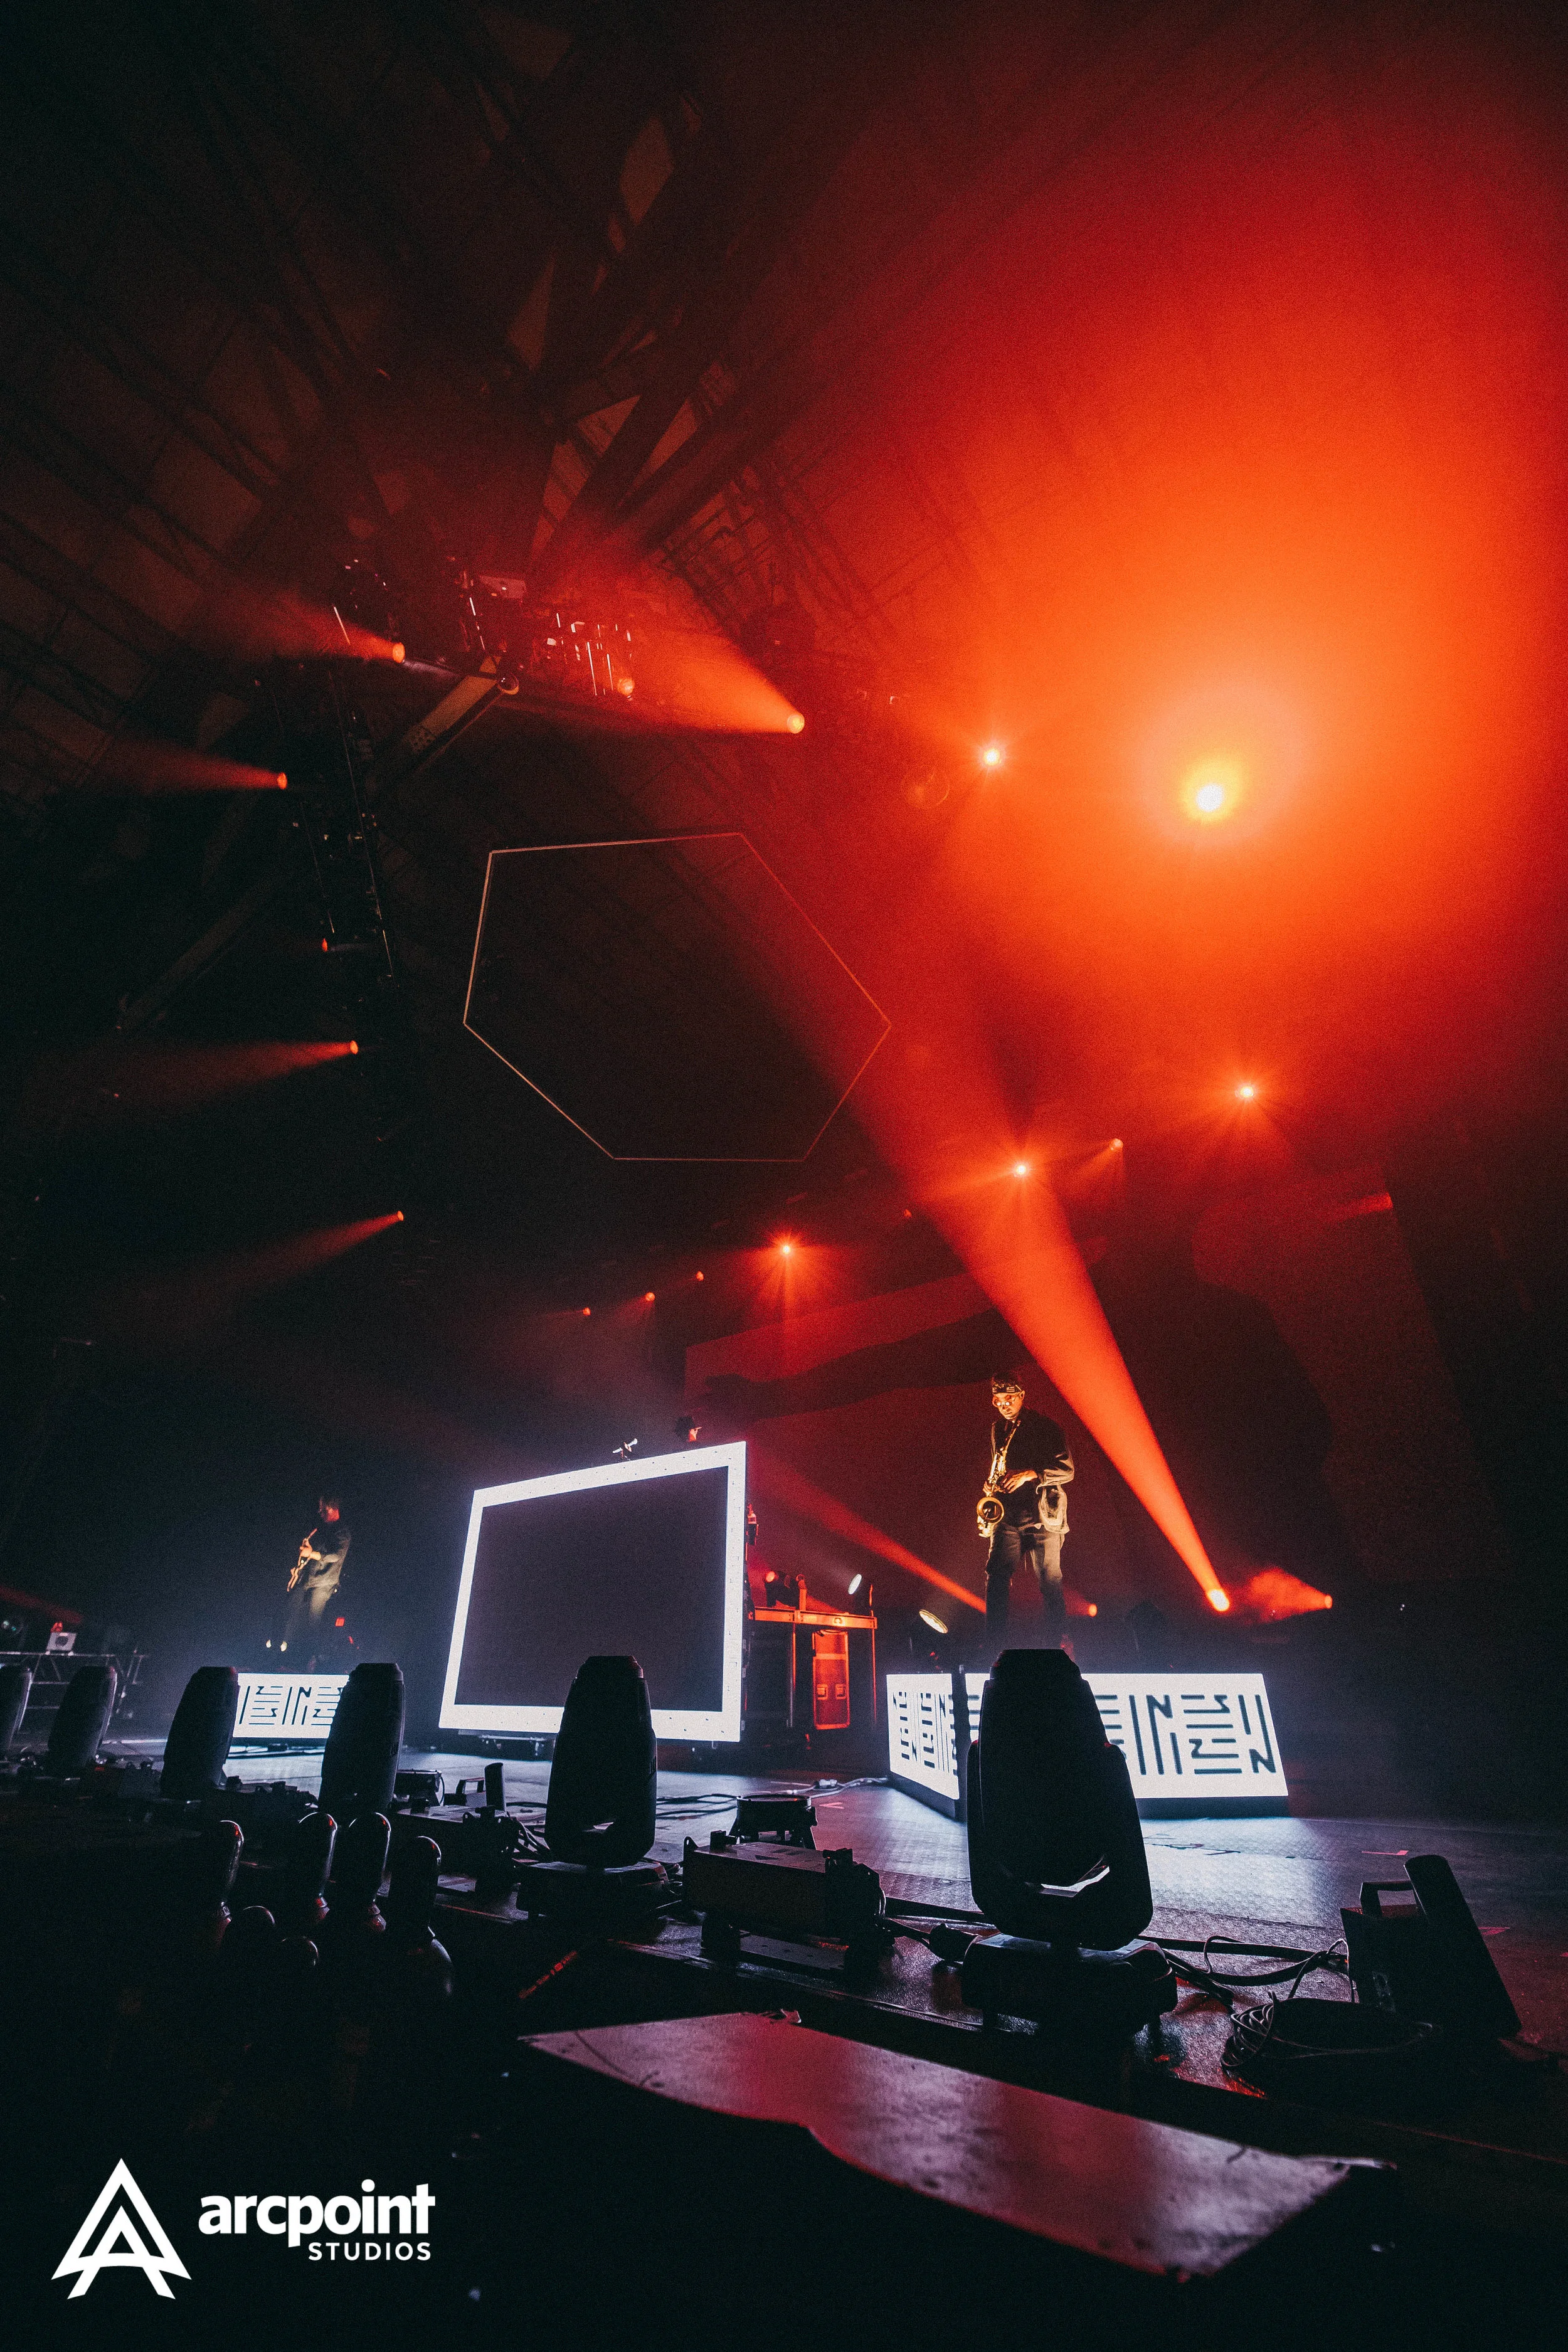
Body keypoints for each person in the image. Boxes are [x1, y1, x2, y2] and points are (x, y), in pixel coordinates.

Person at [982, 1375, 1074, 1656]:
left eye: (1009, 1398)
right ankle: (995, 1648)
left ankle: (1054, 1647)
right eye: (998, 1401)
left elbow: (1067, 1470)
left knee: (1050, 1581)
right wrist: (992, 1485)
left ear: (1022, 1395)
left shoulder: (1045, 1426)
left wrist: (1029, 1474)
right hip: (1006, 1515)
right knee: (996, 1576)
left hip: (1043, 1516)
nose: (1004, 1405)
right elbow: (1000, 1462)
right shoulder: (998, 1428)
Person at [278, 1496, 352, 1667]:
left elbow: (336, 1556)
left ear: (332, 1508)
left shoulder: (342, 1532)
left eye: (323, 1509)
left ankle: (312, 1659)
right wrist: (300, 1566)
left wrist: (311, 1554)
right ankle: (282, 1653)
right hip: (308, 1579)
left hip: (325, 1582)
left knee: (313, 1621)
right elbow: (310, 1553)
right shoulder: (320, 1529)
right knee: (289, 1612)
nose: (320, 1512)